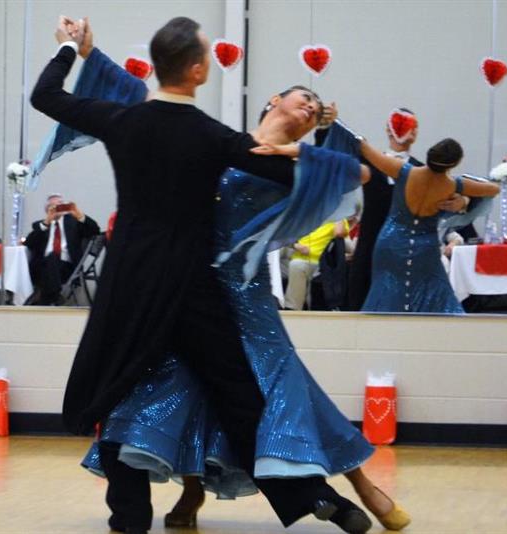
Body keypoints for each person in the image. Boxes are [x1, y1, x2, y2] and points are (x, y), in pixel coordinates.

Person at [32, 16, 369, 533]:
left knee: (123, 392)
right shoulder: (212, 135)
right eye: (207, 55)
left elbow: (46, 96)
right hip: (193, 286)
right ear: (194, 70)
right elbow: (293, 173)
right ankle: (311, 495)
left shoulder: (124, 120)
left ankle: (129, 519)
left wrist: (69, 51)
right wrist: (303, 151)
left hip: (131, 281)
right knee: (238, 393)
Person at [79, 88, 410, 532]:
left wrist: (293, 150)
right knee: (180, 387)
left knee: (286, 387)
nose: (310, 106)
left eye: (315, 107)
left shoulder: (297, 163)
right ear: (274, 100)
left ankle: (362, 487)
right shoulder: (221, 143)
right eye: (302, 98)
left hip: (247, 293)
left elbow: (361, 174)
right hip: (192, 288)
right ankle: (191, 491)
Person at [360, 138, 500, 313]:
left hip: (390, 243)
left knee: (384, 293)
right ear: (453, 164)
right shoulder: (453, 185)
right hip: (425, 249)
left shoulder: (403, 171)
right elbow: (493, 189)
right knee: (438, 298)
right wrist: (464, 198)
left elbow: (364, 148)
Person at [24, 194, 100, 305]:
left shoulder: (73, 222)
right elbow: (29, 244)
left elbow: (95, 231)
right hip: (40, 267)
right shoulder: (41, 225)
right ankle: (54, 297)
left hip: (67, 267)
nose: (58, 207)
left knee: (53, 257)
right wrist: (46, 222)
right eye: (54, 206)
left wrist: (79, 215)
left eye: (60, 204)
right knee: (50, 259)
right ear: (47, 210)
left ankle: (44, 300)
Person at [284, 218, 350, 310]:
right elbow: (285, 236)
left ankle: (296, 308)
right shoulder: (306, 216)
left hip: (323, 262)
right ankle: (290, 307)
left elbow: (339, 233)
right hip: (297, 256)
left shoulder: (339, 219)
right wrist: (296, 245)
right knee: (294, 264)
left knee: (297, 265)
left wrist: (340, 213)